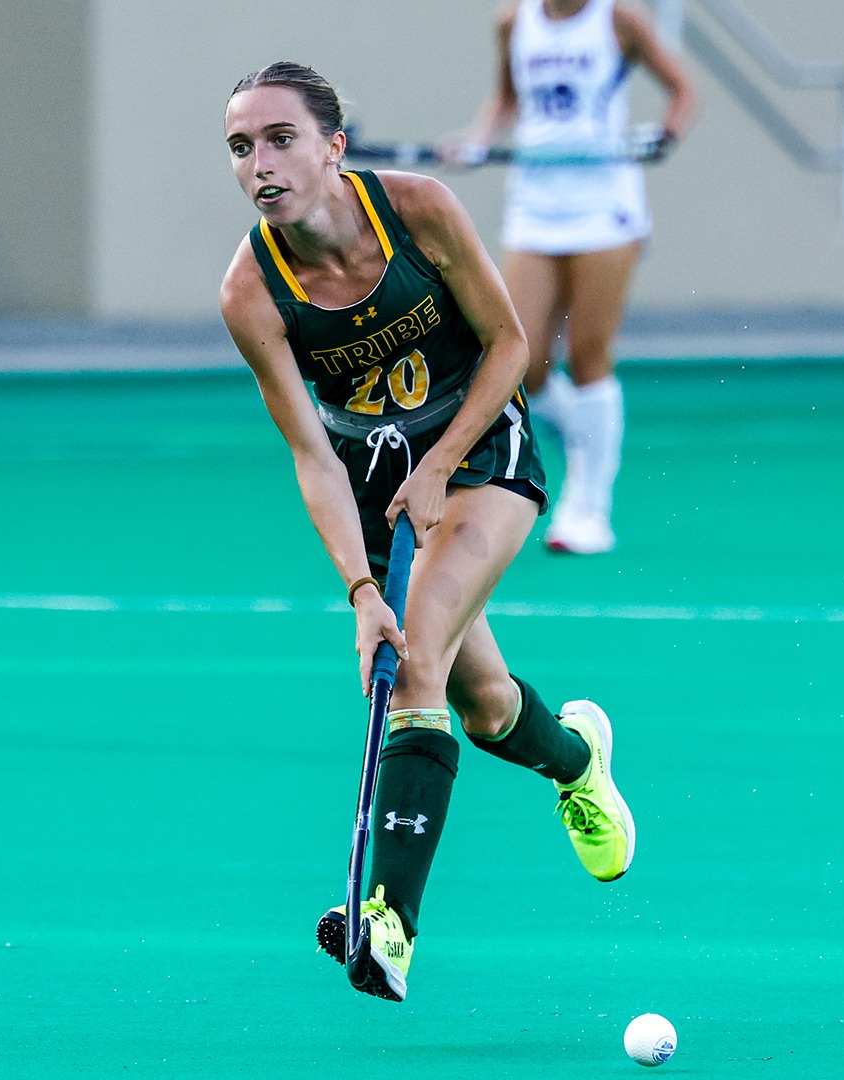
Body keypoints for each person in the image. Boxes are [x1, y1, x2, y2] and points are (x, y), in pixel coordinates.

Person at [219, 63, 634, 1002]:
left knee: (415, 671)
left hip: (481, 447)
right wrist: (362, 593)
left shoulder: (418, 211)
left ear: (332, 146)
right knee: (482, 704)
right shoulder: (251, 292)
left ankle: (390, 924)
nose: (260, 163)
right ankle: (577, 759)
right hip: (374, 487)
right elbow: (313, 457)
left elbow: (511, 343)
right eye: (242, 147)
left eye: (280, 139)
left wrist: (443, 461)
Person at [453, 0, 696, 554]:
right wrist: (478, 139)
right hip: (535, 208)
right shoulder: (514, 23)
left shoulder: (619, 19)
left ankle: (590, 506)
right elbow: (508, 99)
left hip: (604, 207)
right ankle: (585, 446)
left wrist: (664, 136)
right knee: (520, 362)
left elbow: (684, 91)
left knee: (589, 356)